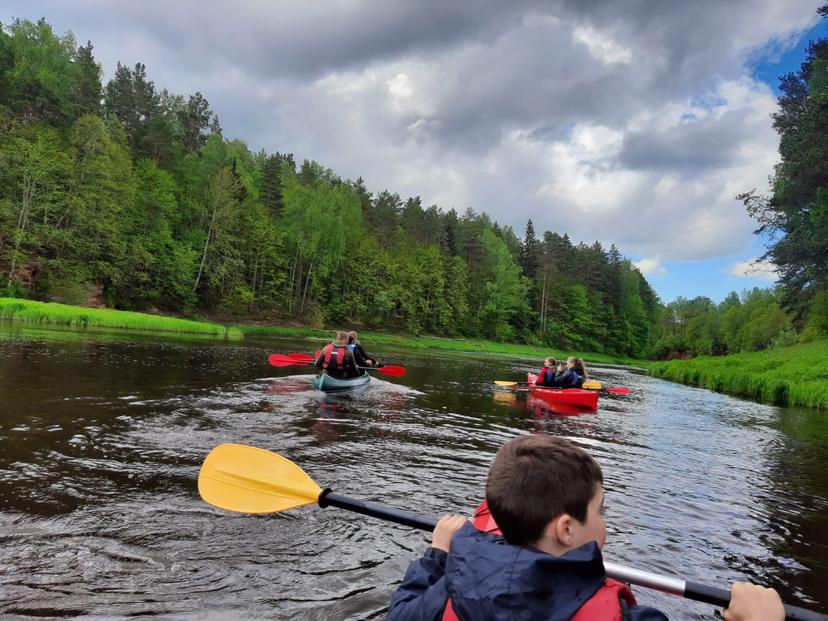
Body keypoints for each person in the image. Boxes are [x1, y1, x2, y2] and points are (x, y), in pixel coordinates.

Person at [385, 434, 785, 621]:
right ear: (566, 530)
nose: (606, 522)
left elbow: (400, 614)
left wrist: (438, 553)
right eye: (601, 510)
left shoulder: (447, 589)